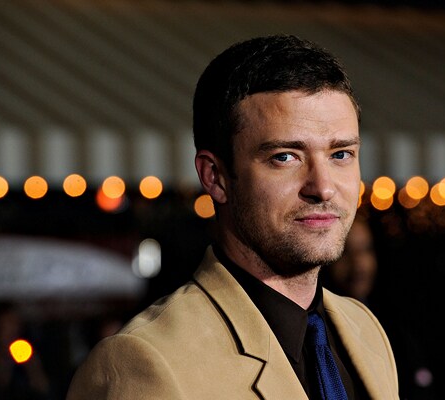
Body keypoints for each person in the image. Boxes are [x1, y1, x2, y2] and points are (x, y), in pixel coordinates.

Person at [66, 35, 399, 399]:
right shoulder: (146, 362)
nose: (323, 187)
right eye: (285, 157)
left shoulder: (365, 331)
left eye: (341, 154)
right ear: (216, 177)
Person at [324, 214, 435, 400]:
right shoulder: (317, 332)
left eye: (365, 249)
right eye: (344, 251)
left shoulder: (397, 328)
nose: (358, 262)